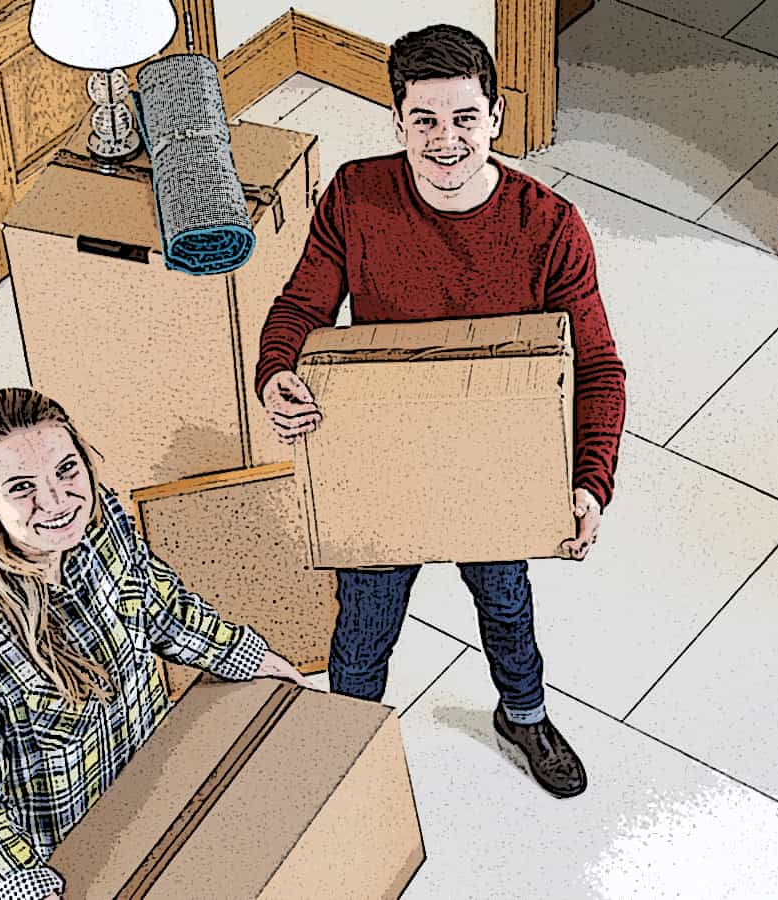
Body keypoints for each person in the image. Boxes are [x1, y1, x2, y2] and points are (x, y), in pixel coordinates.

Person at [254, 24, 628, 799]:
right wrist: (276, 372)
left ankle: (523, 715)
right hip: (381, 453)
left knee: (504, 598)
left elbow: (597, 366)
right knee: (363, 625)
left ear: (495, 116)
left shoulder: (548, 225)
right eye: (424, 120)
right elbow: (301, 304)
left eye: (464, 118)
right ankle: (346, 747)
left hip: (494, 460)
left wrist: (590, 483)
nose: (446, 141)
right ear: (397, 121)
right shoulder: (356, 196)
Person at [0, 388, 310, 900]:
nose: (56, 502)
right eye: (20, 487)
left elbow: (165, 611)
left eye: (66, 470)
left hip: (157, 794)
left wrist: (253, 658)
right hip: (73, 864)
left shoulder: (104, 523)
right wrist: (29, 886)